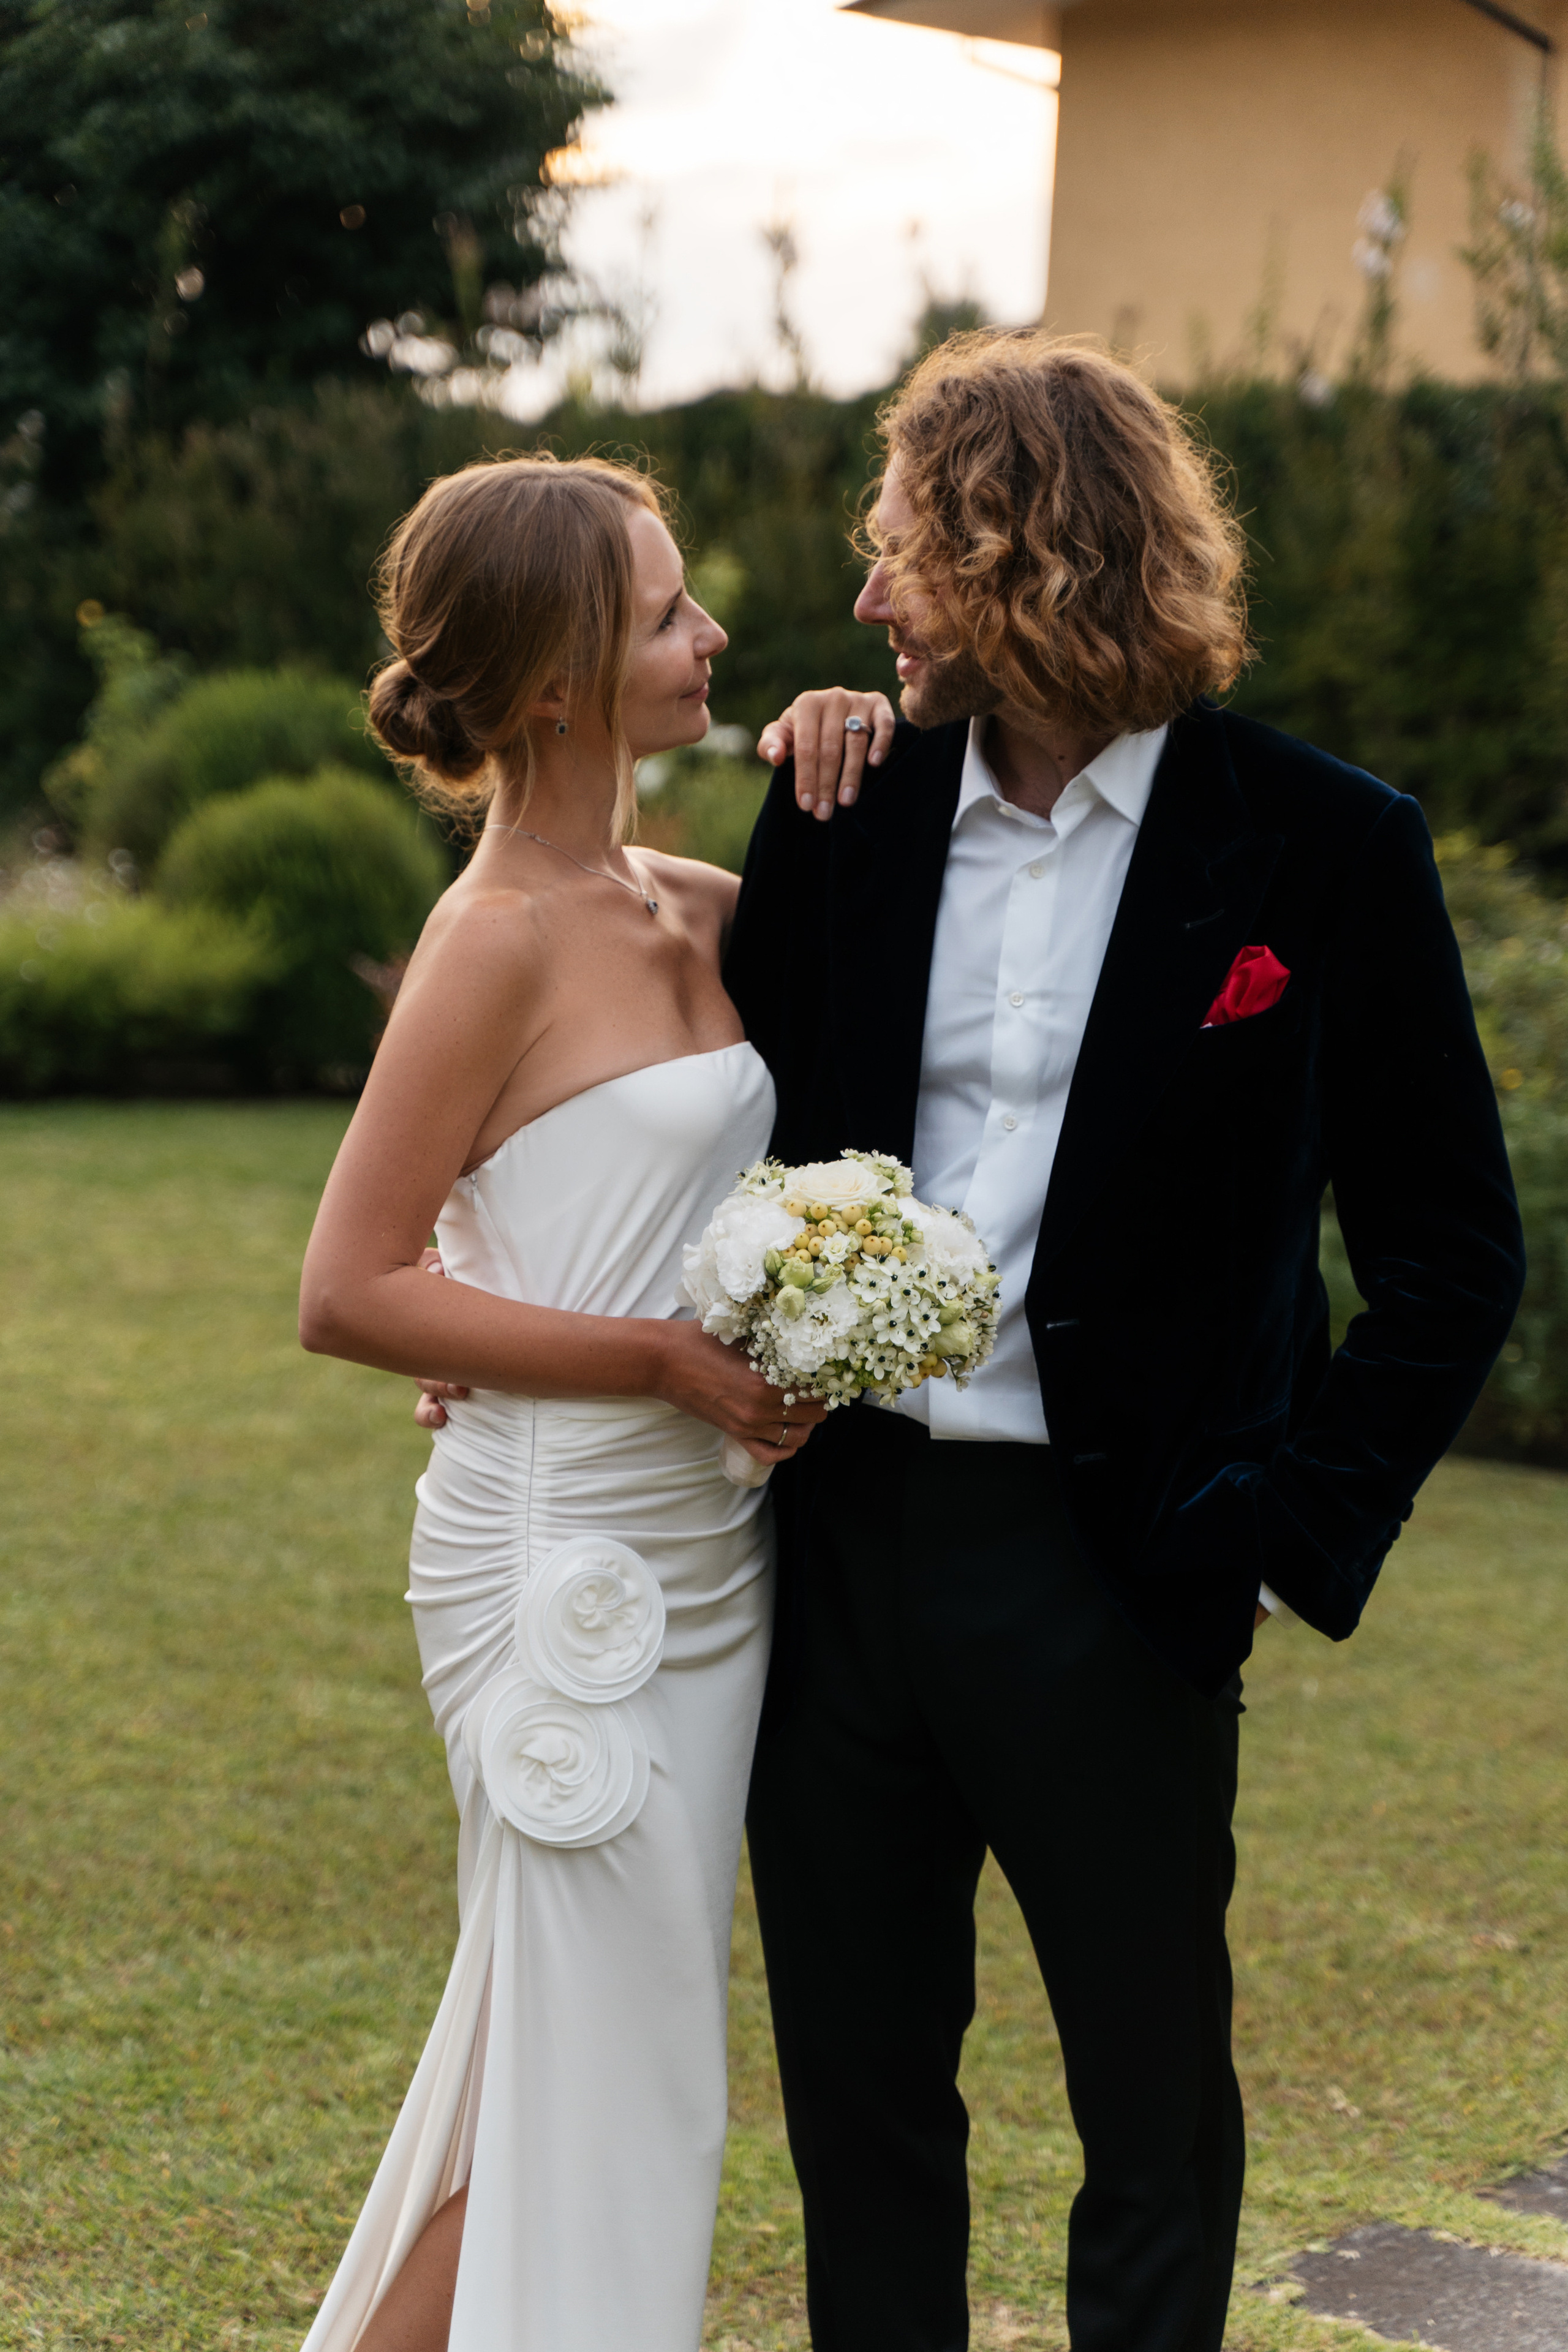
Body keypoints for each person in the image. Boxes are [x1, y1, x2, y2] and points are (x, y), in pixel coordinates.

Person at [718, 330, 1526, 2352]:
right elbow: (696, 1117)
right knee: (863, 2107)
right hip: (842, 1553)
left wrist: (1271, 1524)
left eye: (901, 546)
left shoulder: (1323, 847)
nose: (868, 592)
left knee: (1150, 2120)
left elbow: (1451, 1253)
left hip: (1125, 1570)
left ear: (1018, 553)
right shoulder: (848, 813)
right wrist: (523, 1329)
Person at [295, 451, 826, 2352]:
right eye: (667, 614)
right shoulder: (493, 939)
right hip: (557, 1565)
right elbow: (349, 1290)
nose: (713, 635)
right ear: (549, 683)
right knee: (590, 2076)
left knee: (602, 2073)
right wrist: (663, 1364)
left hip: (716, 1561)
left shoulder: (704, 897)